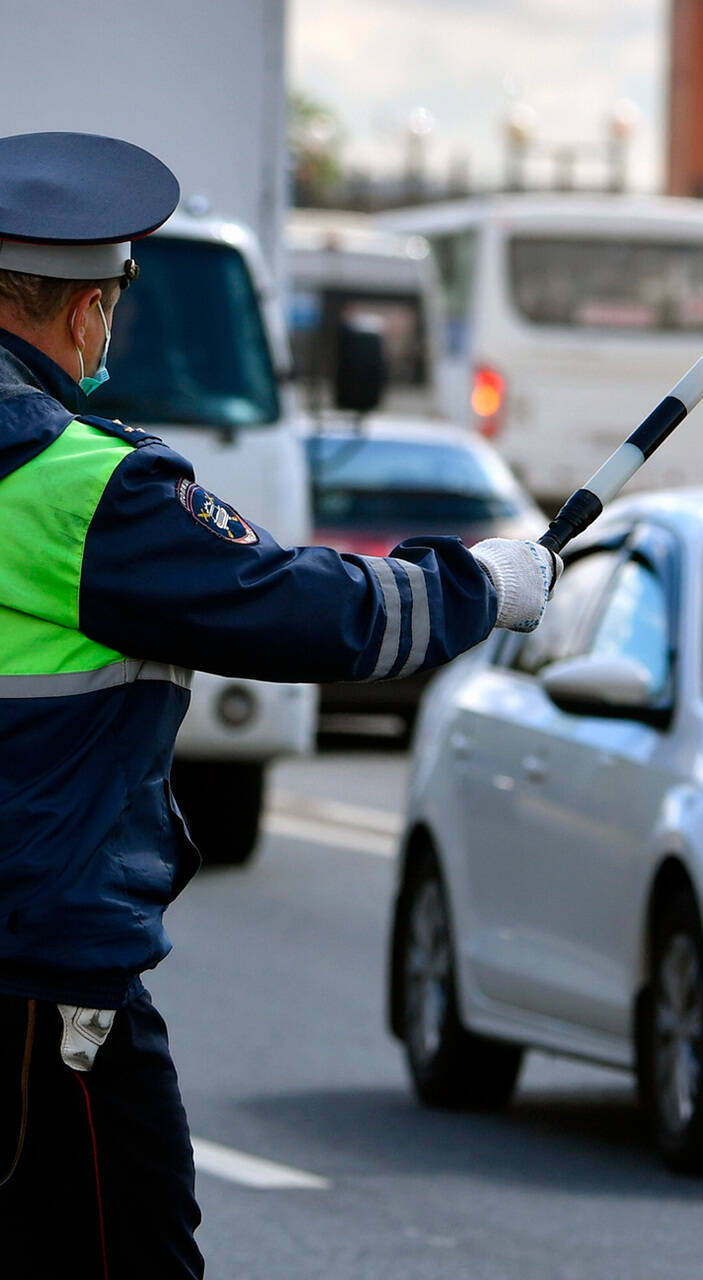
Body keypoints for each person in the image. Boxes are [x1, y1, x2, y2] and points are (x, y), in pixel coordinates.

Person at [0, 131, 559, 1276]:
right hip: (40, 990)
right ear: (81, 312)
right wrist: (482, 583)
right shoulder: (76, 486)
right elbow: (305, 608)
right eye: (109, 301)